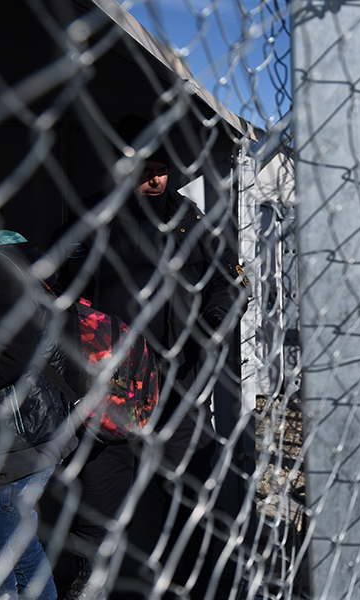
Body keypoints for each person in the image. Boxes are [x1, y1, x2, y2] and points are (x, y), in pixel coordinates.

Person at [50, 115, 246, 599]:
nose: (154, 178)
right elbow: (54, 280)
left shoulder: (193, 223)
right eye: (144, 167)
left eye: (162, 168)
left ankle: (187, 576)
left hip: (176, 382)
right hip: (106, 384)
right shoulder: (95, 217)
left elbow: (229, 285)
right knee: (99, 490)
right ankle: (92, 577)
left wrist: (207, 331)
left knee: (182, 487)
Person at [0, 232, 79, 600]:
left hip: (19, 436)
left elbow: (13, 357)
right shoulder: (20, 262)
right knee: (19, 544)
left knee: (1, 556)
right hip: (40, 426)